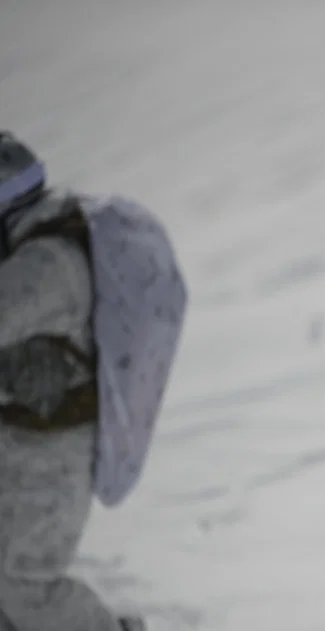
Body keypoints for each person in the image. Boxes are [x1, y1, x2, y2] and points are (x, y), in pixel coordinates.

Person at [0, 131, 188, 630]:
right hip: (25, 437)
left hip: (49, 448)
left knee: (24, 585)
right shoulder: (38, 249)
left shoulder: (46, 265)